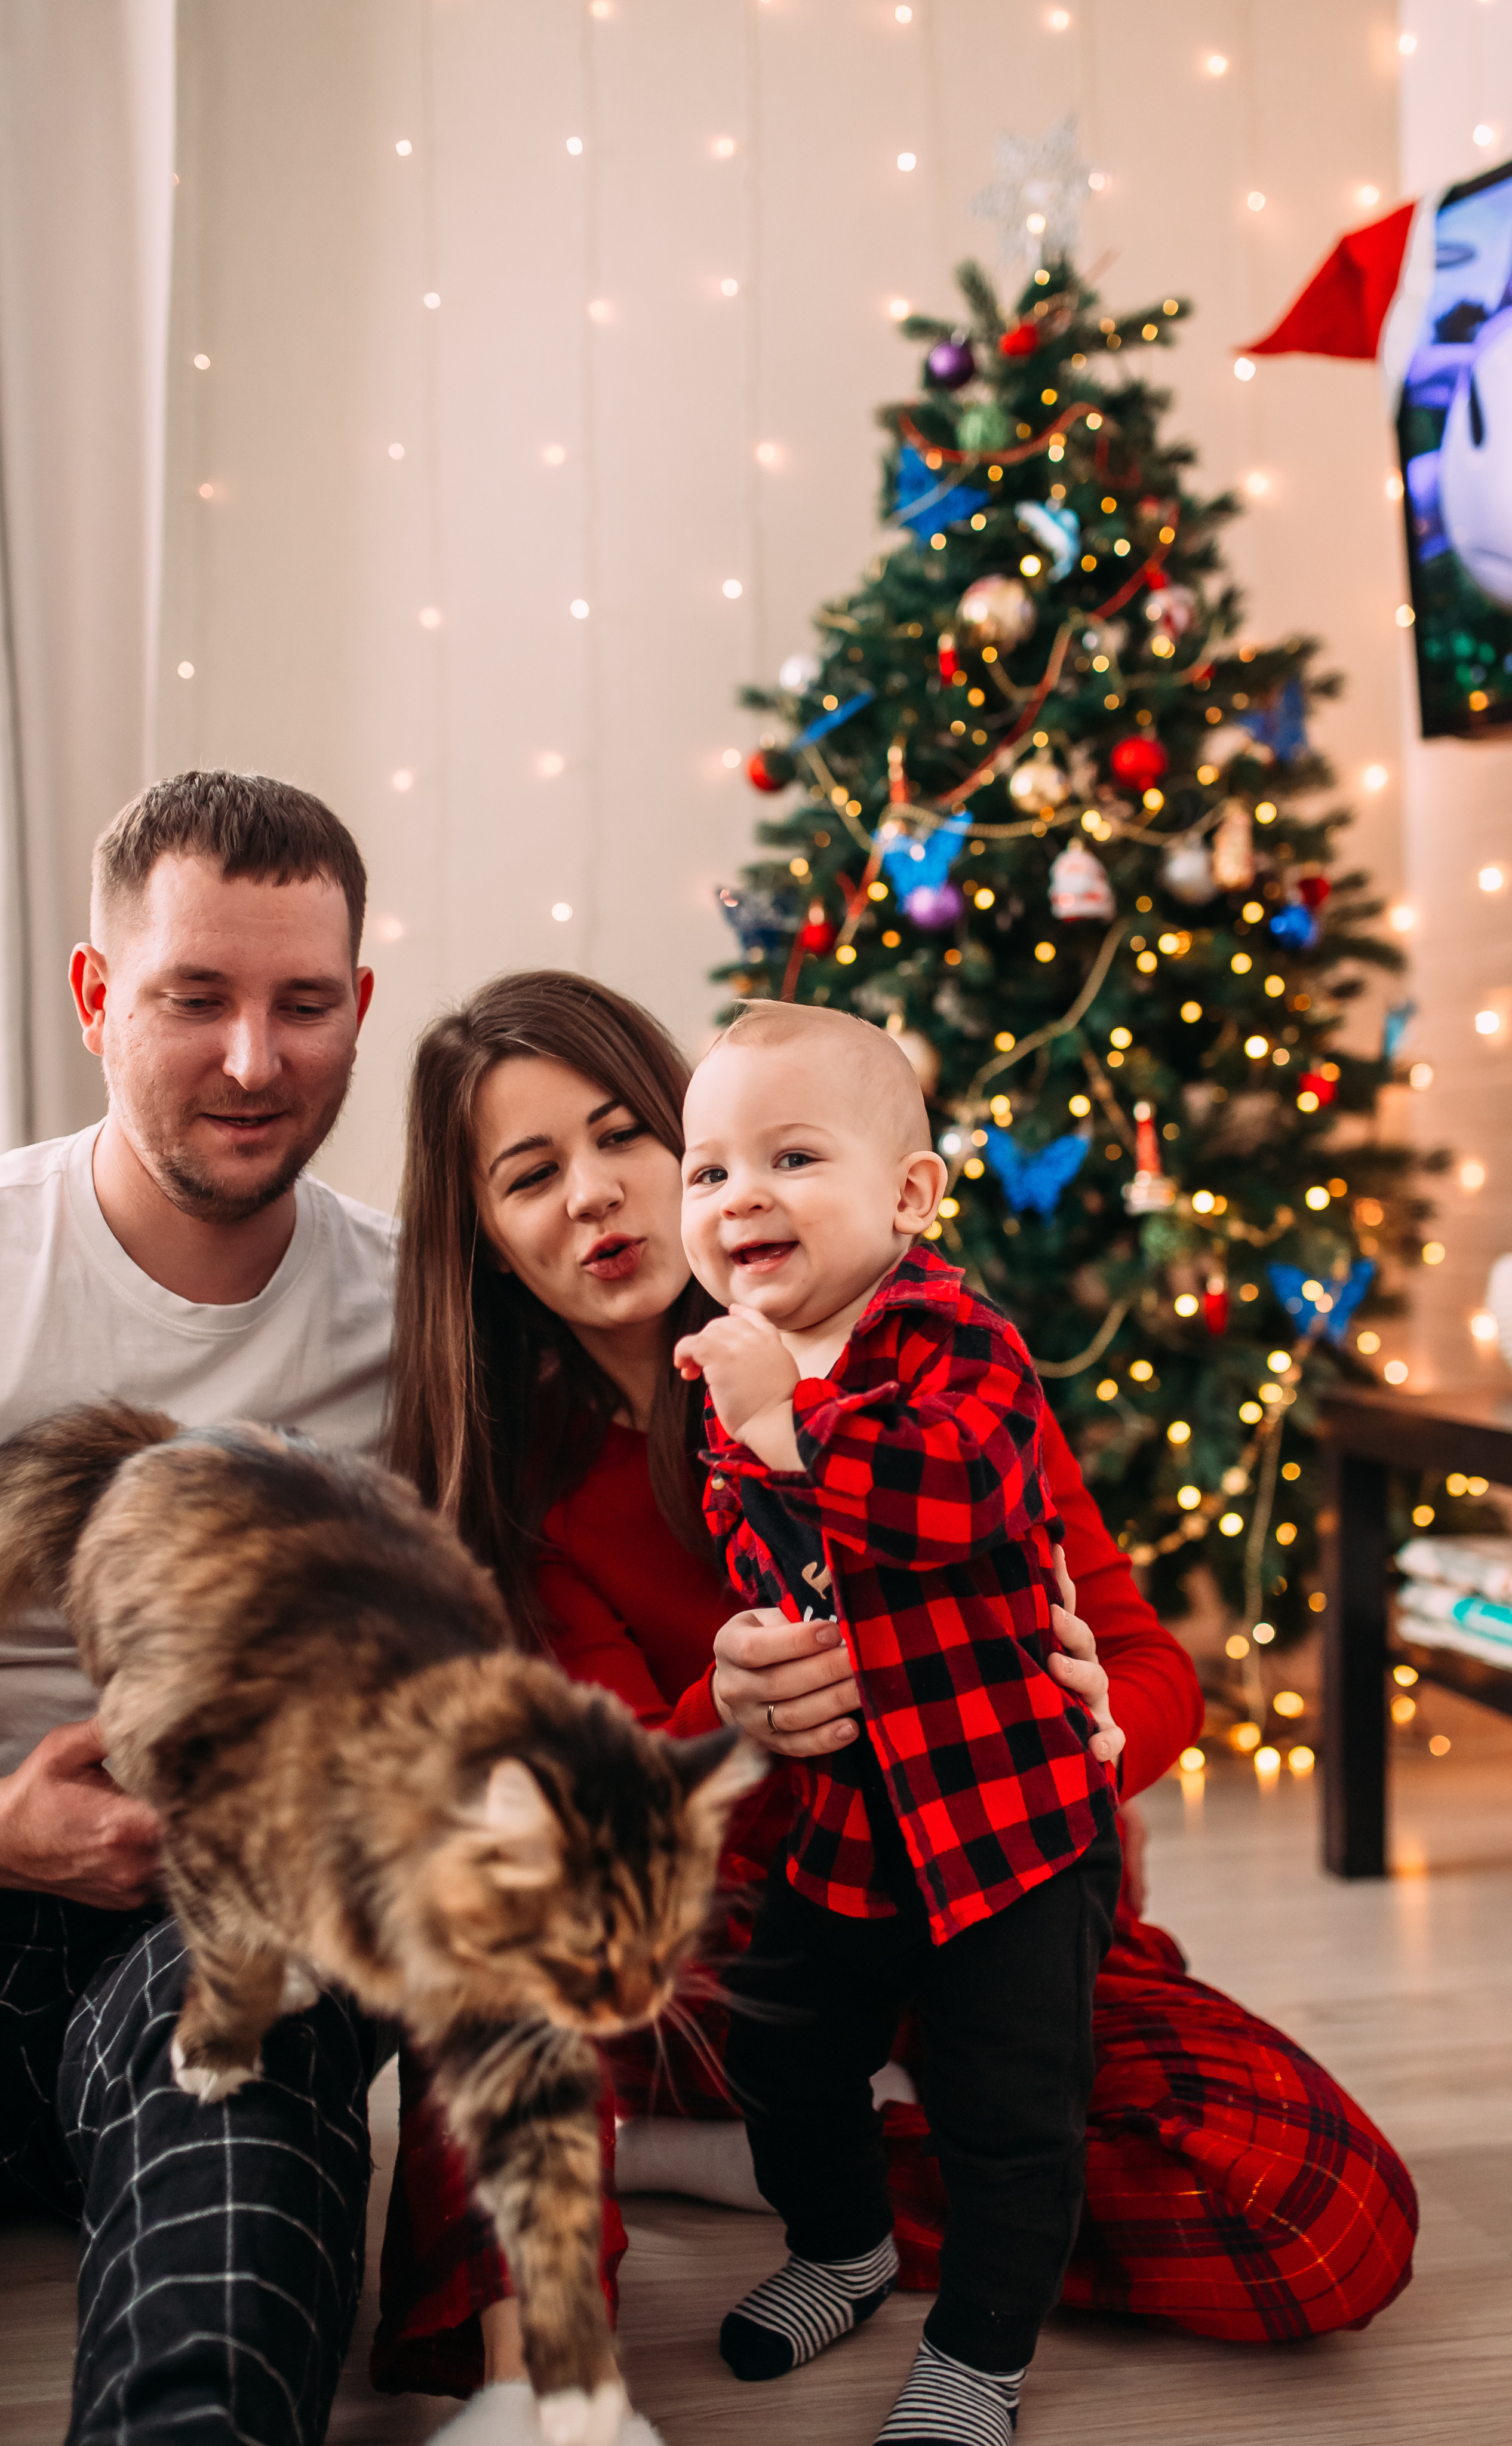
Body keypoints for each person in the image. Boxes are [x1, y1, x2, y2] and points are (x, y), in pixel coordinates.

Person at [374, 968, 1418, 2402]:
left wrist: (1096, 1737)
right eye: (531, 1173)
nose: (598, 1197)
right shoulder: (525, 1493)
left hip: (988, 1884)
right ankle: (787, 2178)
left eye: (627, 1137)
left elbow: (1146, 1656)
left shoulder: (926, 1369)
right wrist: (725, 1724)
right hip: (748, 1946)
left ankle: (806, 2165)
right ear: (486, 1239)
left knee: (1321, 2216)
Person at [0, 771, 395, 2446]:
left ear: (359, 1007)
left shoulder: (421, 1310)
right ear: (99, 1000)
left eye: (303, 1004)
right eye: (195, 998)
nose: (254, 1060)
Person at [674, 1000, 1121, 2446]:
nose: (739, 1193)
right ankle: (844, 2244)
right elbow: (768, 1564)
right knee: (784, 2045)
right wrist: (752, 1634)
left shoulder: (955, 1337)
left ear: (910, 1195)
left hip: (1007, 1827)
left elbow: (961, 1496)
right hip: (856, 1825)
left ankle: (980, 2350)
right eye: (709, 1169)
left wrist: (791, 1427)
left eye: (791, 1155)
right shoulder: (740, 1369)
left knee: (1011, 2107)